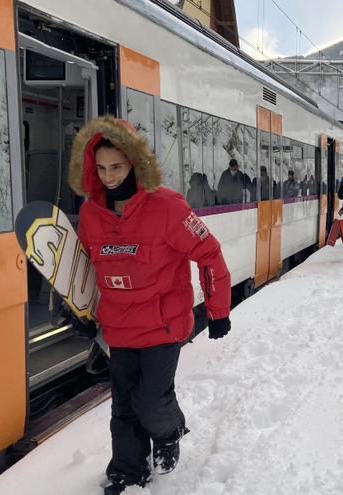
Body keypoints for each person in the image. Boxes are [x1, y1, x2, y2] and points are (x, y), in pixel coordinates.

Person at [68, 116, 232, 495]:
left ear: (135, 164)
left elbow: (209, 253)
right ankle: (127, 472)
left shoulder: (168, 207)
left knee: (151, 400)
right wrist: (77, 311)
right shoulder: (91, 215)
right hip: (119, 328)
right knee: (123, 407)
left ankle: (169, 432)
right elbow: (83, 268)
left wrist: (218, 310)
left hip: (162, 327)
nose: (109, 176)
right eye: (102, 168)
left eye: (117, 167)